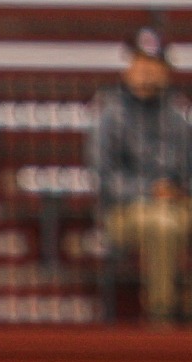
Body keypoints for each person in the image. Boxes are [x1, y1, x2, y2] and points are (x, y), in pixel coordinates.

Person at [93, 27, 192, 325]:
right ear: (129, 68)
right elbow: (105, 178)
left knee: (169, 219)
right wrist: (151, 190)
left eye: (154, 64)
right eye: (141, 63)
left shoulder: (177, 117)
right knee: (162, 224)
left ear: (165, 70)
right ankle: (161, 316)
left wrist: (176, 191)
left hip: (175, 205)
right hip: (124, 211)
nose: (147, 72)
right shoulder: (110, 115)